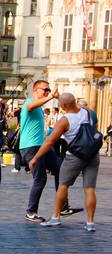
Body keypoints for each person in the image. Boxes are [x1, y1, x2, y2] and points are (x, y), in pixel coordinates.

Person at [30, 93, 100, 231]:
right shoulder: (88, 112)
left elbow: (49, 142)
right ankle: (90, 222)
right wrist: (64, 99)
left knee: (63, 185)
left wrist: (35, 158)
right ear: (75, 101)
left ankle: (56, 217)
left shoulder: (64, 120)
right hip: (92, 155)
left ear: (62, 106)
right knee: (90, 189)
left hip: (74, 156)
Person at [18, 80, 61, 222]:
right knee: (40, 179)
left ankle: (64, 204)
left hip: (41, 146)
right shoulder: (29, 102)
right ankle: (31, 212)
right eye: (45, 89)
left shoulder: (40, 107)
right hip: (29, 147)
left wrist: (57, 97)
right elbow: (30, 106)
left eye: (49, 90)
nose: (47, 92)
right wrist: (51, 97)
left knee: (60, 169)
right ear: (36, 90)